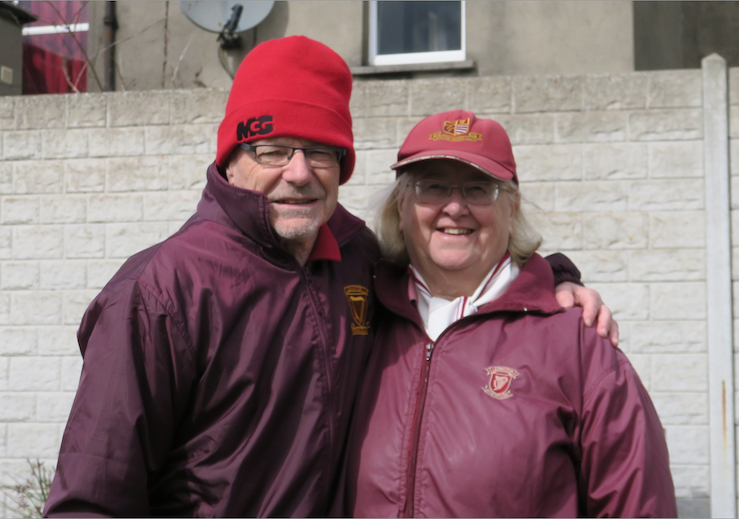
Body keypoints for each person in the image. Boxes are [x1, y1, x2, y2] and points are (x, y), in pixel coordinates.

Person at [43, 38, 612, 517]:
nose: (299, 173)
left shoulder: (357, 255)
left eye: (321, 152)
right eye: (273, 150)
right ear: (231, 160)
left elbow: (456, 262)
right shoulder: (159, 293)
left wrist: (553, 281)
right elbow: (90, 500)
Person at [347, 110, 678, 518]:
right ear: (401, 206)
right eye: (432, 187)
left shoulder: (579, 346)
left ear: (512, 207)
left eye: (479, 189)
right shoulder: (359, 320)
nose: (455, 206)